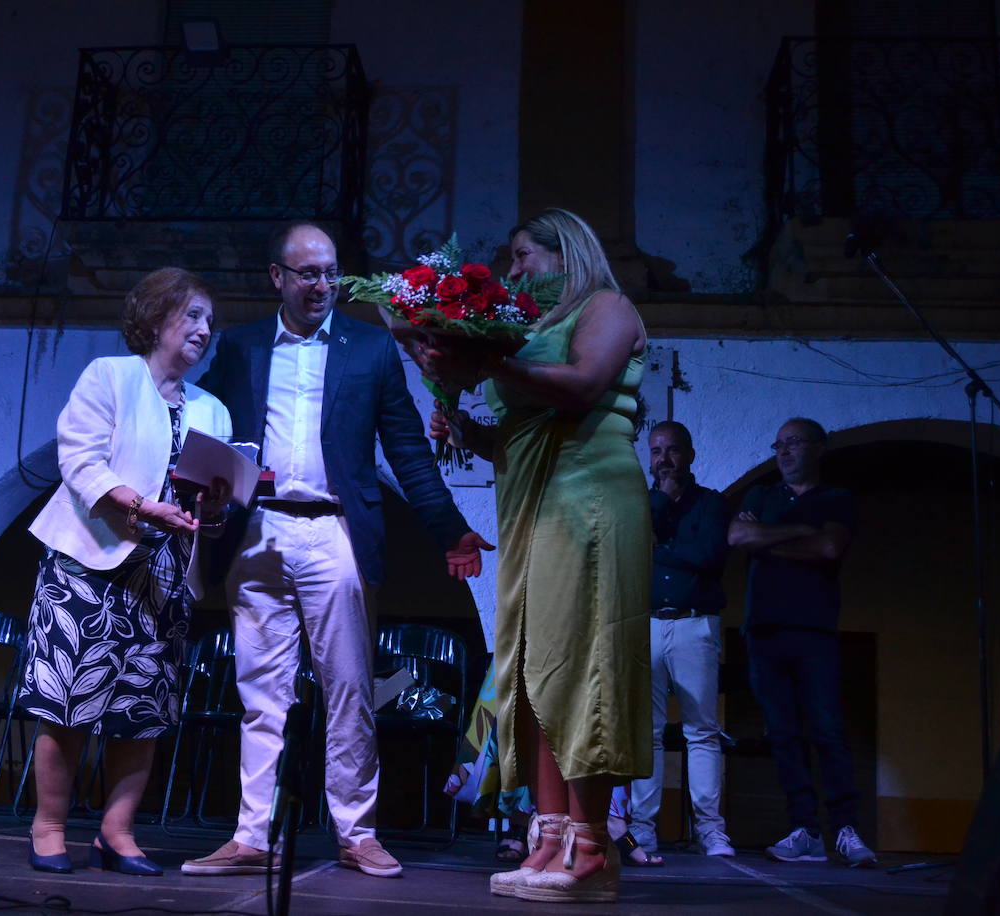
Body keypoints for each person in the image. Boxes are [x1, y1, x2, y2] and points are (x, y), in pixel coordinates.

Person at [183, 222, 493, 879]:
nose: (321, 284)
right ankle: (251, 835)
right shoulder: (239, 349)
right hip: (257, 530)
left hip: (333, 532)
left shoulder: (371, 349)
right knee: (259, 692)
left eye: (329, 271)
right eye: (307, 273)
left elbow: (407, 448)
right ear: (278, 278)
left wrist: (449, 527)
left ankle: (357, 832)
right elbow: (202, 421)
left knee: (350, 688)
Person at [428, 208, 651, 904]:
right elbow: (524, 430)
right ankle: (549, 835)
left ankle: (591, 847)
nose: (514, 270)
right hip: (532, 504)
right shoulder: (524, 330)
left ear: (568, 251)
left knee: (585, 665)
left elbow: (584, 387)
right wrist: (468, 427)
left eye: (523, 256)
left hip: (589, 499)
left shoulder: (607, 306)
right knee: (532, 669)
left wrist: (488, 361)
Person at [18, 268, 233, 876]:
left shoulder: (212, 411)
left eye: (209, 322)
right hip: (92, 563)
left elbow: (206, 497)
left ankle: (117, 831)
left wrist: (209, 514)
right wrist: (141, 505)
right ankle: (50, 824)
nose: (203, 330)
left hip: (165, 577)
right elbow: (78, 460)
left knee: (144, 708)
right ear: (158, 316)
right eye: (193, 315)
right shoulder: (109, 377)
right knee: (67, 702)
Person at [727, 417, 877, 868]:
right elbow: (737, 536)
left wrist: (767, 540)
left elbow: (831, 550)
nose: (784, 451)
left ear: (818, 448)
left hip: (814, 630)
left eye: (794, 443)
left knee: (828, 730)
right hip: (764, 630)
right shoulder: (760, 496)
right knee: (784, 735)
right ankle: (806, 830)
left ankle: (846, 830)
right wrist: (802, 532)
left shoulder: (837, 499)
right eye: (779, 444)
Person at [627, 420, 735, 860]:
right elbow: (629, 549)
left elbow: (710, 556)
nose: (663, 459)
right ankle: (643, 829)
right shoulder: (640, 504)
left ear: (689, 455)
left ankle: (710, 830)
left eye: (672, 450)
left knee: (702, 731)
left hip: (696, 624)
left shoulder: (712, 504)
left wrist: (659, 547)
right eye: (655, 451)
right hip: (646, 623)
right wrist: (658, 516)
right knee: (646, 733)